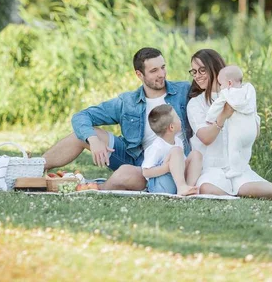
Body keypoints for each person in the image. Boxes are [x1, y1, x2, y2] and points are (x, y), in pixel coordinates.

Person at [42, 47, 203, 191]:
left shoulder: (183, 91)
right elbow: (81, 116)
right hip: (138, 160)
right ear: (139, 74)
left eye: (162, 67)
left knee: (124, 174)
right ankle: (33, 168)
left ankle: (98, 187)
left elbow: (210, 93)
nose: (161, 74)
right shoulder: (128, 102)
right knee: (82, 135)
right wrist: (93, 140)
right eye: (154, 70)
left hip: (173, 162)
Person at [187, 49, 272, 205]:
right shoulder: (196, 103)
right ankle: (236, 196)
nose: (197, 75)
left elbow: (255, 132)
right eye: (194, 72)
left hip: (236, 164)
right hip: (211, 167)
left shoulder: (241, 95)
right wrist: (223, 115)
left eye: (202, 70)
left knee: (247, 187)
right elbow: (206, 138)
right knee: (207, 188)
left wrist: (246, 111)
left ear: (215, 67)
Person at [206, 65, 260, 179]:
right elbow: (253, 107)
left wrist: (210, 118)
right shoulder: (249, 90)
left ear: (229, 83)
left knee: (234, 149)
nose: (220, 87)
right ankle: (243, 165)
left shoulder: (226, 94)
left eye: (221, 84)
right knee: (247, 148)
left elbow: (216, 106)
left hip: (238, 132)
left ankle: (235, 169)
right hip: (251, 130)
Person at [141, 104, 201, 196]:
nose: (180, 119)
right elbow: (146, 172)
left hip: (174, 181)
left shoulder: (178, 141)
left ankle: (188, 188)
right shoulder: (157, 147)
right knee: (176, 151)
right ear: (171, 127)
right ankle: (182, 187)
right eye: (177, 117)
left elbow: (181, 164)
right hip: (161, 185)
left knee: (195, 154)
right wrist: (166, 168)